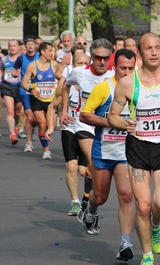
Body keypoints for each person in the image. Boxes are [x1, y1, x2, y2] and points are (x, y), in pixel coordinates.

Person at [108, 32, 160, 265]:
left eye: (157, 47)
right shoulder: (127, 83)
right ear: (139, 53)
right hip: (138, 148)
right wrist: (125, 123)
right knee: (142, 206)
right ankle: (146, 255)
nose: (154, 52)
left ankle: (156, 225)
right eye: (148, 48)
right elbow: (112, 117)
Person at [80, 49, 136, 261]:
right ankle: (91, 210)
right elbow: (85, 114)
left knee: (126, 196)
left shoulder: (138, 88)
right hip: (103, 151)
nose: (127, 72)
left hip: (127, 153)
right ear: (115, 67)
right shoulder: (104, 88)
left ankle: (125, 243)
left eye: (131, 68)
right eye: (123, 68)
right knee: (101, 197)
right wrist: (111, 121)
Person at [62, 38, 115, 221]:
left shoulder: (115, 76)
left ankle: (87, 200)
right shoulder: (79, 72)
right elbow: (66, 85)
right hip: (83, 124)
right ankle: (85, 202)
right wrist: (64, 110)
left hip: (105, 128)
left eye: (105, 58)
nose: (101, 62)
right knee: (92, 162)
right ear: (91, 57)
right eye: (97, 57)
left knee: (94, 172)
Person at [46, 53, 90, 216]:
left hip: (87, 130)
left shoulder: (95, 85)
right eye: (79, 63)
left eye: (86, 63)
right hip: (70, 128)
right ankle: (75, 202)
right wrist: (51, 126)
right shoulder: (66, 87)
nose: (83, 66)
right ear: (73, 65)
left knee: (84, 171)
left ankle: (87, 199)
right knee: (71, 167)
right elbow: (52, 106)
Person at [21, 42, 58, 159]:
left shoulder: (55, 65)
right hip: (37, 100)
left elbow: (62, 79)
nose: (52, 53)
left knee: (51, 126)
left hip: (52, 101)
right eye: (50, 50)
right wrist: (31, 89)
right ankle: (46, 150)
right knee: (42, 124)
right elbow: (23, 83)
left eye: (53, 51)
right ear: (42, 52)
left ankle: (34, 126)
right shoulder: (33, 66)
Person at [14, 36, 40, 149]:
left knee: (36, 116)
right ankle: (29, 143)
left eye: (32, 44)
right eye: (28, 44)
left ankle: (32, 128)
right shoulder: (21, 58)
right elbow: (15, 69)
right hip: (25, 89)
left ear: (35, 45)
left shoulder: (40, 57)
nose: (30, 46)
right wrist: (15, 74)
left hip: (38, 90)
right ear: (25, 46)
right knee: (28, 115)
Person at [0, 40, 22, 143]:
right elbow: (0, 69)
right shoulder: (4, 59)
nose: (12, 48)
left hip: (20, 87)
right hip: (7, 86)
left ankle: (15, 127)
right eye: (10, 46)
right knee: (10, 112)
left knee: (17, 112)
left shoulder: (23, 58)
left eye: (14, 46)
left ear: (19, 47)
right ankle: (12, 134)